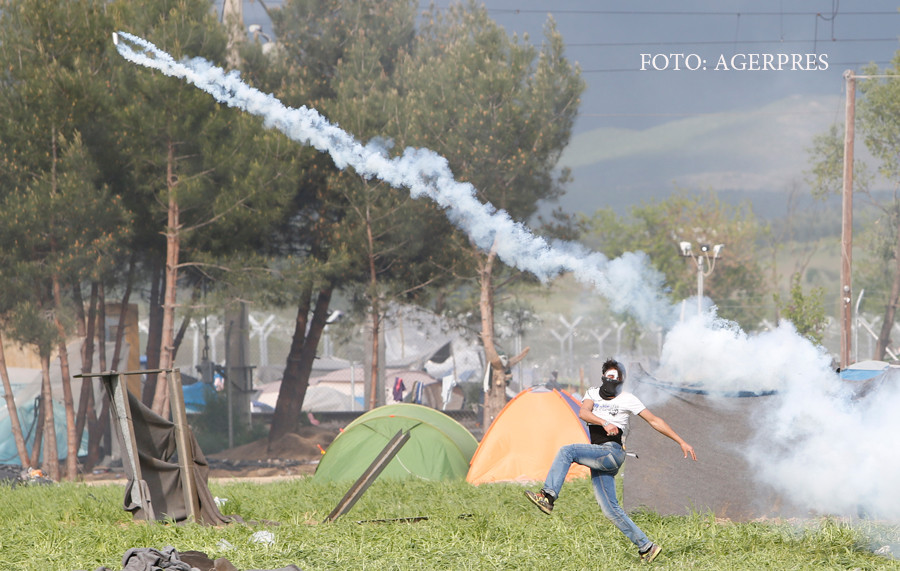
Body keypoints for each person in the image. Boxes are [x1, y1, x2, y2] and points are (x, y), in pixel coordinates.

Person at [525, 358, 697, 564]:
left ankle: (548, 497)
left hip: (612, 452)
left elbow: (654, 420)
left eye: (616, 378)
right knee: (610, 509)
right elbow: (584, 412)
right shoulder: (591, 393)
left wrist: (681, 441)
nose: (612, 381)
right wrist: (604, 422)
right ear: (603, 377)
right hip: (599, 454)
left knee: (567, 451)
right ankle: (647, 547)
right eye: (609, 377)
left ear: (622, 380)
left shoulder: (627, 399)